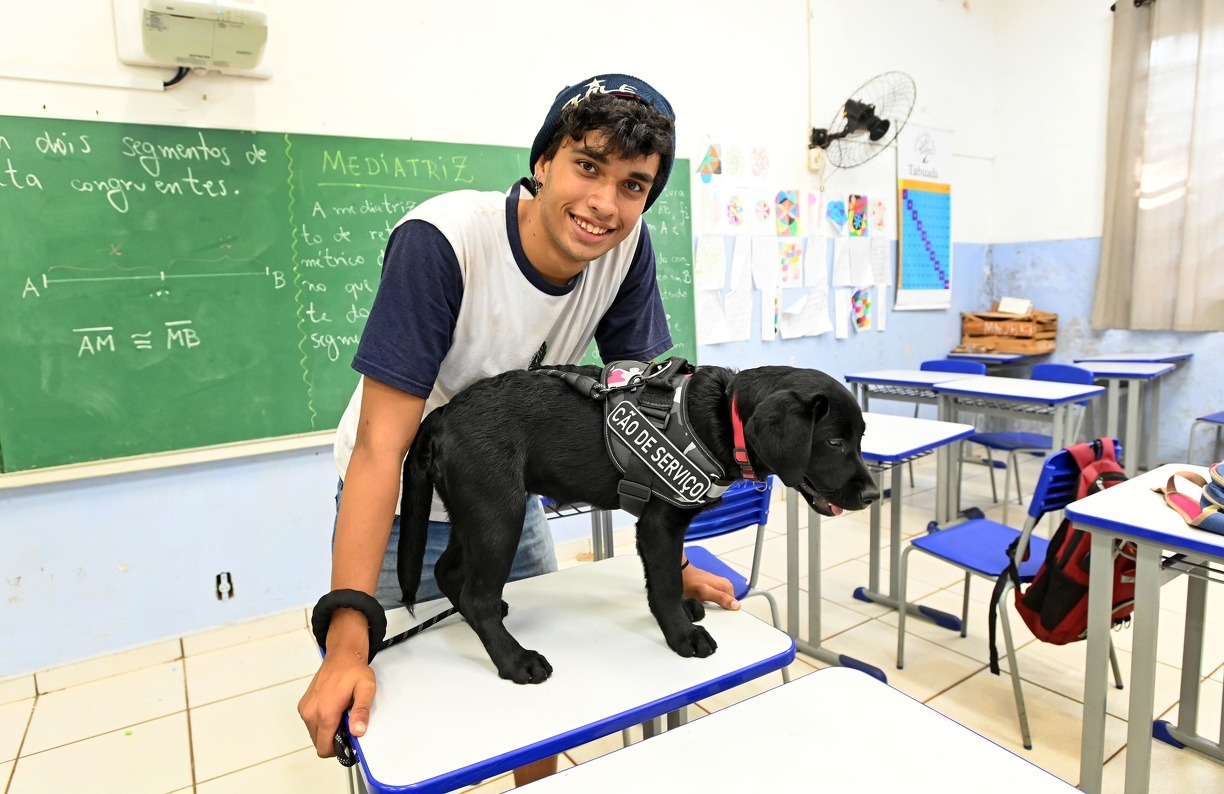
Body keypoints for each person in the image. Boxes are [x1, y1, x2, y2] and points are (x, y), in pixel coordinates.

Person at [297, 73, 739, 787]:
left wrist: (673, 564)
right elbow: (384, 447)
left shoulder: (628, 250)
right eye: (587, 166)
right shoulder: (441, 241)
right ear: (543, 162)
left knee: (531, 690)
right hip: (400, 487)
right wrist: (346, 639)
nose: (604, 204)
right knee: (403, 712)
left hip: (509, 484)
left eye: (633, 185)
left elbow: (648, 417)